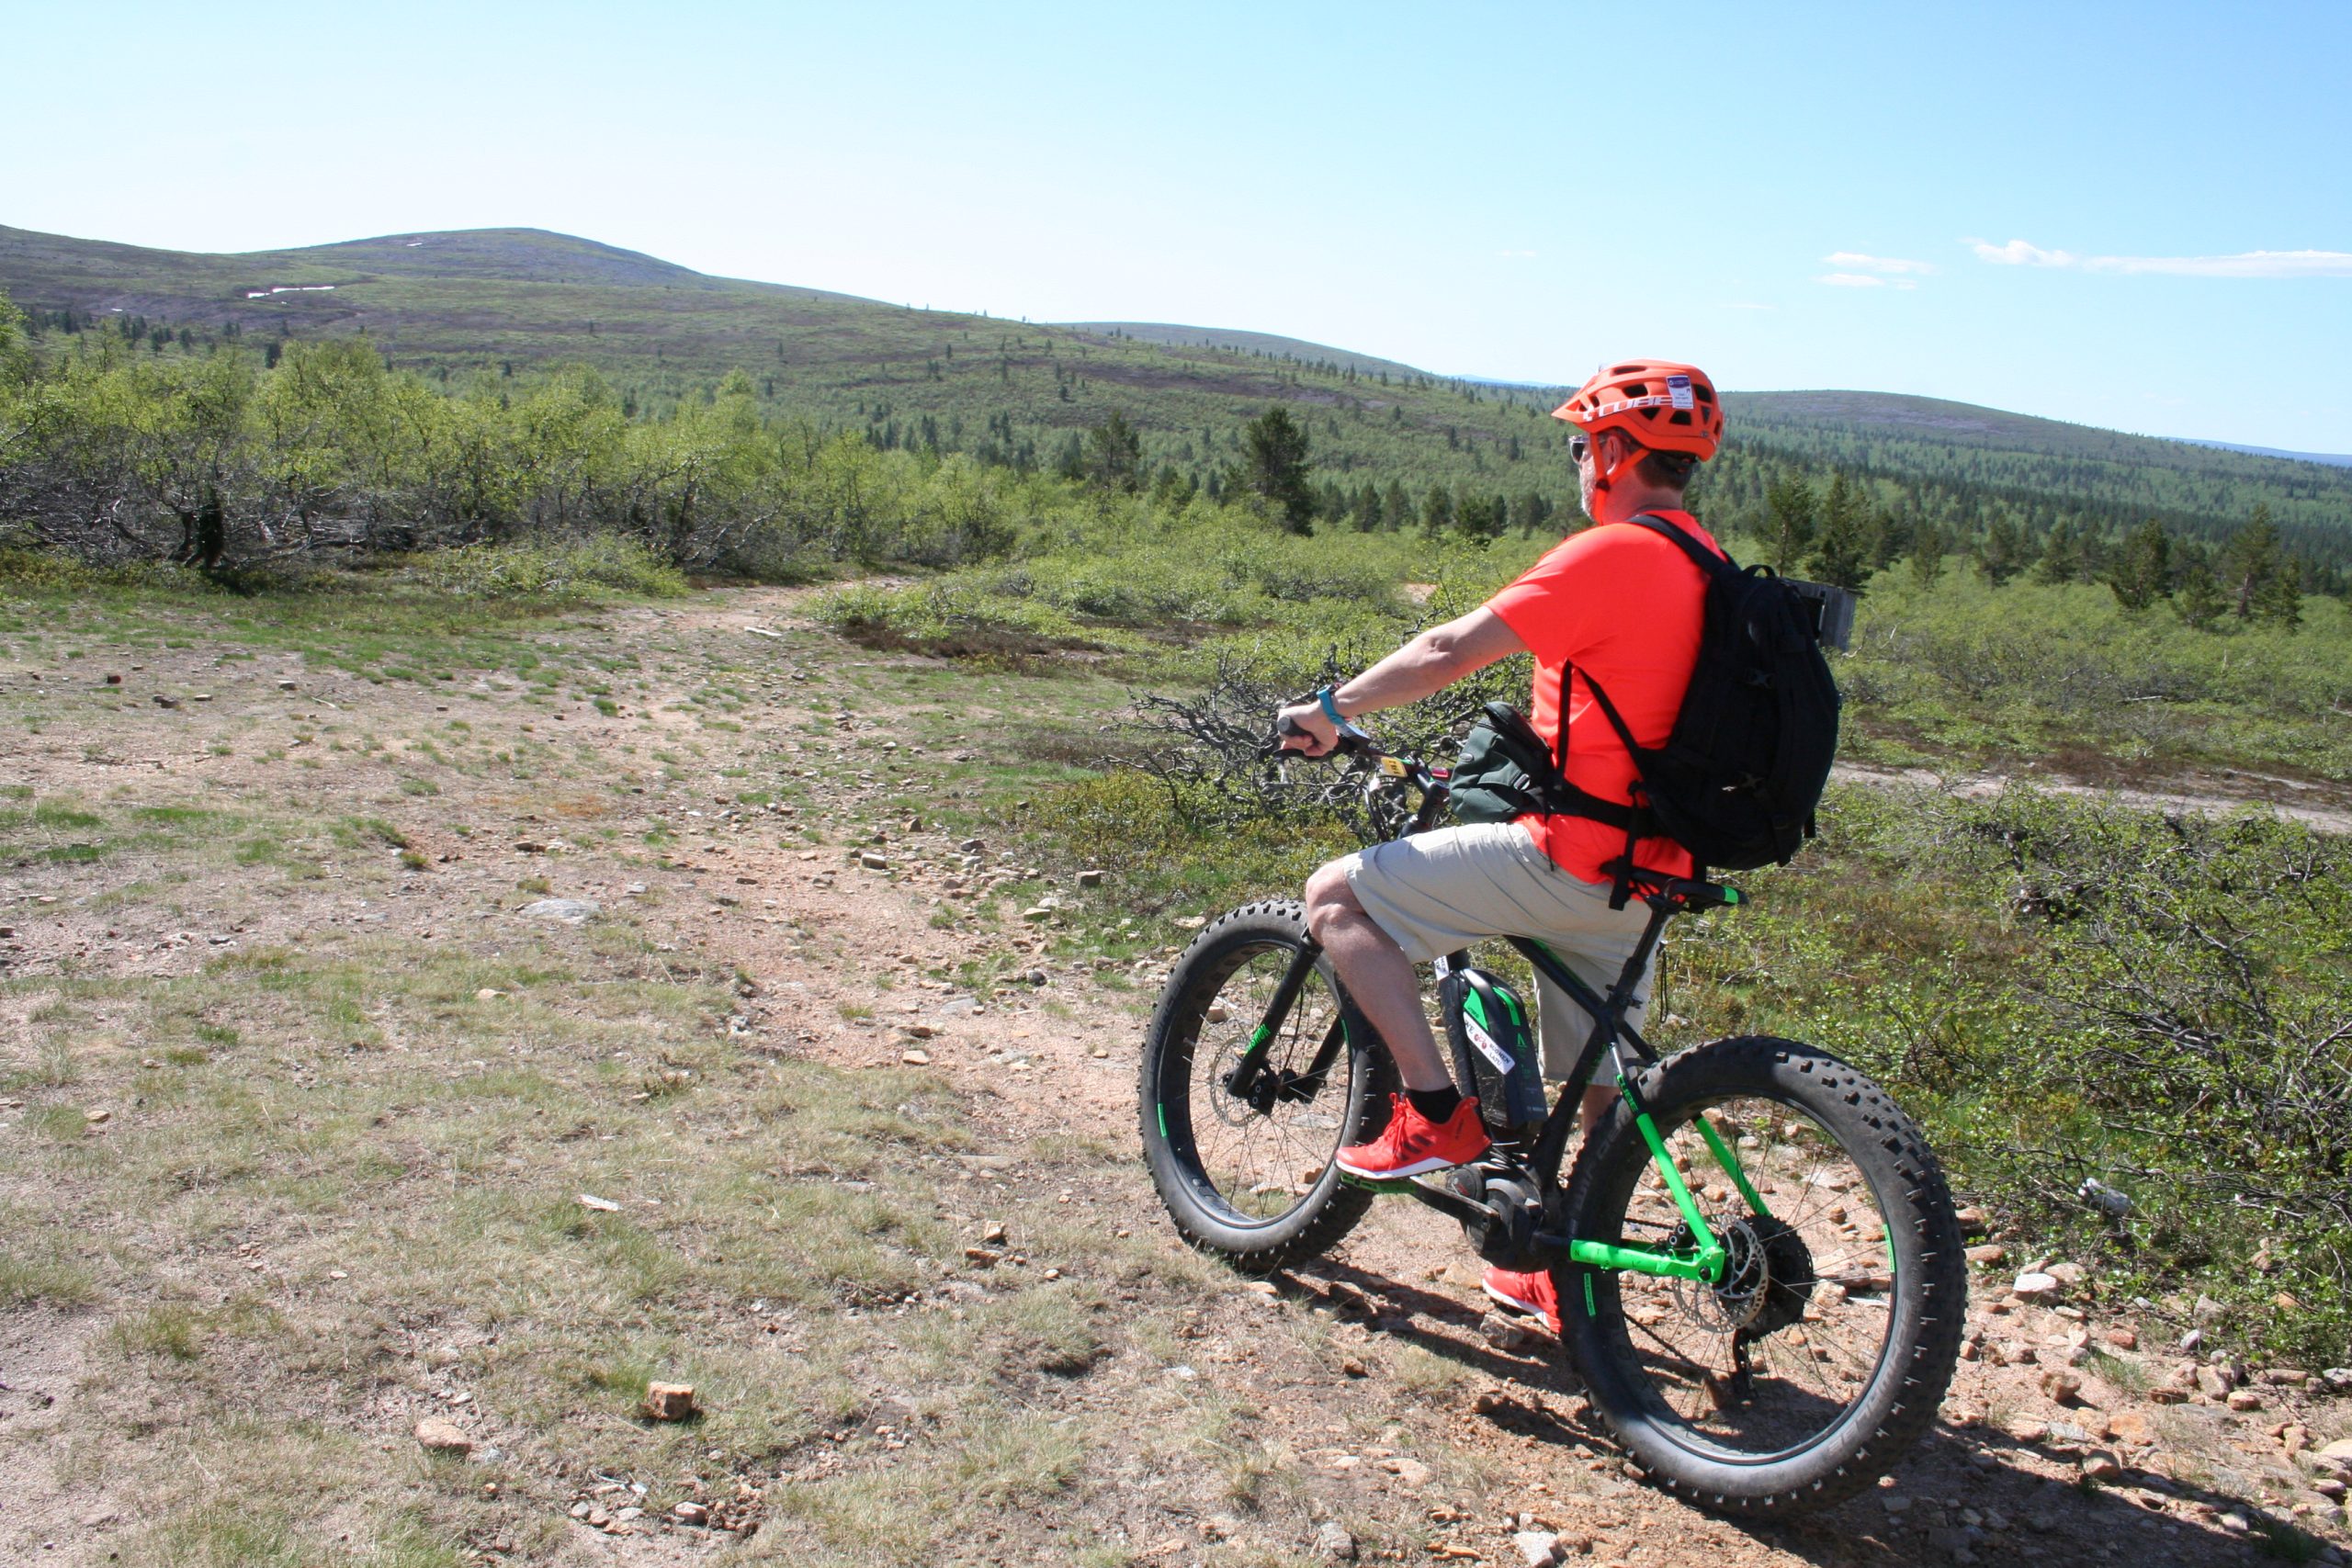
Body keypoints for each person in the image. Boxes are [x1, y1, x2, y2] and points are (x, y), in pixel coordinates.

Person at [1272, 360, 1728, 1334]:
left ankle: (1434, 1116)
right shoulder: (1710, 569)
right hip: (1653, 874)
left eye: (1580, 446)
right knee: (1599, 1097)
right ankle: (1548, 1263)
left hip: (1570, 857)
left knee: (1335, 900)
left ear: (1610, 452)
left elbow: (1448, 651)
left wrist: (1330, 708)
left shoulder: (1611, 552)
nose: (1578, 464)